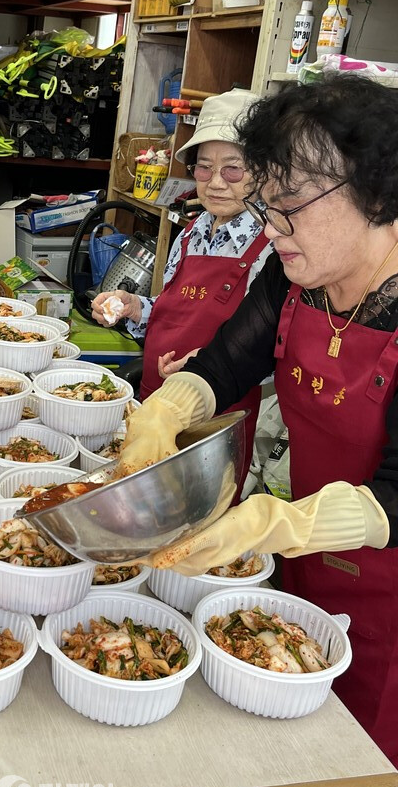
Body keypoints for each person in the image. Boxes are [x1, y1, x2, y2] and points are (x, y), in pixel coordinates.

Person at [118, 76, 398, 787]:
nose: (270, 226)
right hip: (304, 578)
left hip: (389, 606)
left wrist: (276, 522)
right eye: (265, 202)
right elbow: (227, 360)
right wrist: (166, 410)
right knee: (278, 782)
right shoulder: (298, 272)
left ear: (375, 194)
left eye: (290, 203)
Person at [92, 88, 272, 489]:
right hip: (155, 399)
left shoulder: (272, 246)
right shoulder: (191, 233)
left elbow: (271, 350)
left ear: (261, 171)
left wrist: (210, 365)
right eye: (204, 168)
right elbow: (169, 307)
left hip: (214, 421)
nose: (216, 182)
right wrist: (134, 306)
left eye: (233, 169)